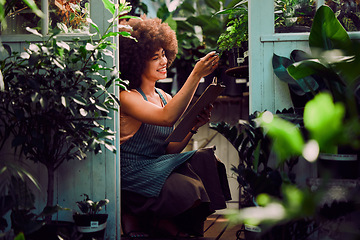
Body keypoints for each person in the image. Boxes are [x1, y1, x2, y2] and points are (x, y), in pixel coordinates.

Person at [119, 16, 231, 238]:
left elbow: (169, 149)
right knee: (184, 187)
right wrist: (196, 74)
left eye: (164, 55)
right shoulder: (127, 97)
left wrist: (193, 125)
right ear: (137, 61)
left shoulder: (163, 96)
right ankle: (150, 219)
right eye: (154, 57)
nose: (163, 62)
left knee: (206, 161)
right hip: (133, 171)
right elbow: (167, 118)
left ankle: (170, 225)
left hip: (156, 165)